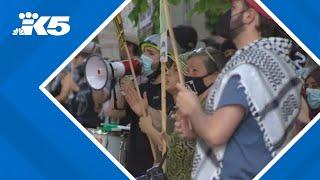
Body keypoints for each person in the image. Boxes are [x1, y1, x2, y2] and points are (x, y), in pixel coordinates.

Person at [174, 0, 305, 179]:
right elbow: (251, 135)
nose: (229, 12)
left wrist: (194, 108)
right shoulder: (281, 65)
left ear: (250, 16)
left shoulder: (247, 70)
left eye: (234, 7)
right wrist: (197, 130)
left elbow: (215, 134)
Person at [138, 47, 227, 180]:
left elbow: (185, 149)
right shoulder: (185, 108)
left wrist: (150, 130)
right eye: (187, 70)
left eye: (194, 71)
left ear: (215, 75)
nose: (167, 74)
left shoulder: (213, 107)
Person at [122, 34, 175, 177]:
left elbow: (164, 126)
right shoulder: (143, 85)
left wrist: (146, 110)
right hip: (134, 161)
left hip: (153, 165)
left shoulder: (170, 91)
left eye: (151, 53)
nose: (144, 56)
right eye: (144, 52)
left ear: (166, 59)